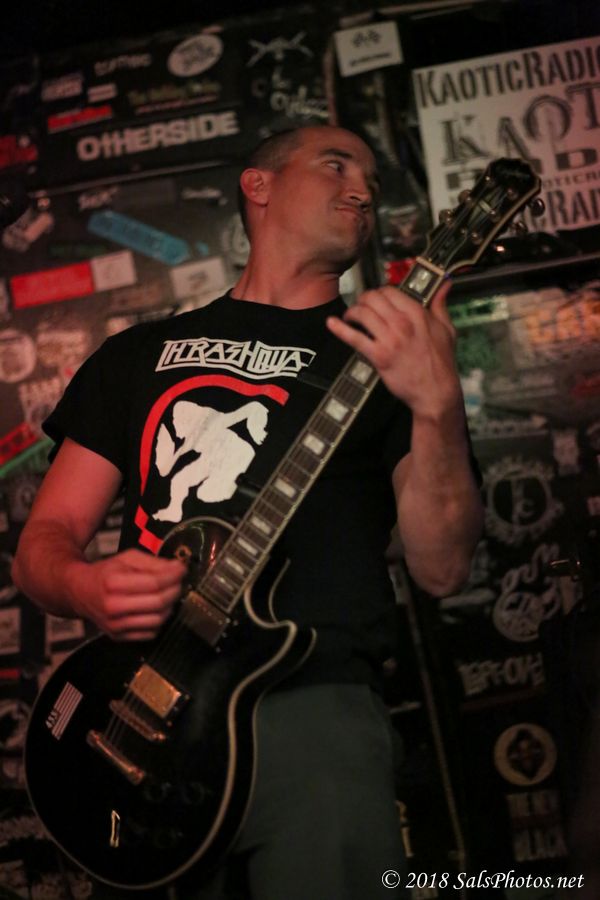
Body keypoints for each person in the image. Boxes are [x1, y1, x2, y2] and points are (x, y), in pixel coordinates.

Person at [12, 125, 483, 900]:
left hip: (314, 713)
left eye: (371, 180)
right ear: (258, 185)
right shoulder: (138, 354)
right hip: (145, 712)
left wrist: (435, 407)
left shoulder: (393, 363)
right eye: (336, 164)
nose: (362, 190)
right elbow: (45, 540)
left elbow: (442, 567)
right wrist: (84, 587)